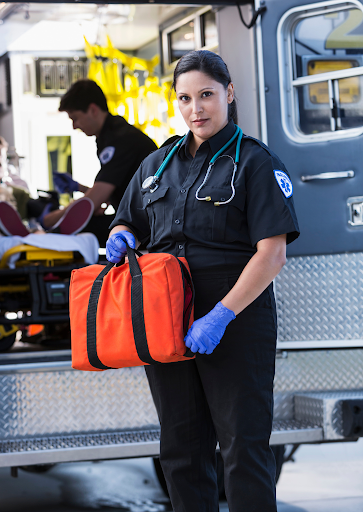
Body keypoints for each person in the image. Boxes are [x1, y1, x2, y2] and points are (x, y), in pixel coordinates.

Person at [105, 50, 300, 512]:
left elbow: (272, 255)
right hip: (166, 318)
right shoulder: (157, 163)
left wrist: (221, 315)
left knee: (244, 450)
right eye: (186, 98)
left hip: (234, 320)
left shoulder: (254, 162)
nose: (197, 108)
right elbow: (127, 219)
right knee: (180, 450)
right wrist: (121, 233)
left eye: (207, 95)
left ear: (229, 94)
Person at [42, 79, 158, 246]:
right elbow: (113, 193)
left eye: (75, 118)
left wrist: (49, 220)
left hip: (148, 227)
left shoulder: (121, 139)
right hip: (137, 219)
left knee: (73, 228)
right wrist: (79, 188)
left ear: (93, 110)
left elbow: (92, 202)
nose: (74, 126)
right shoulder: (109, 136)